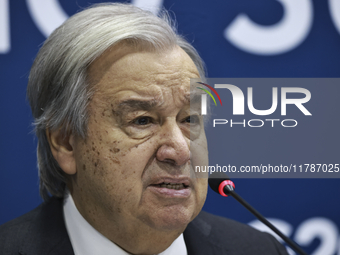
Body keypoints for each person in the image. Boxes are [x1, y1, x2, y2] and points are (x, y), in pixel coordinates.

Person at [0, 3, 288, 255]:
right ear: (65, 142)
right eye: (142, 120)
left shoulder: (259, 249)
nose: (180, 151)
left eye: (190, 120)